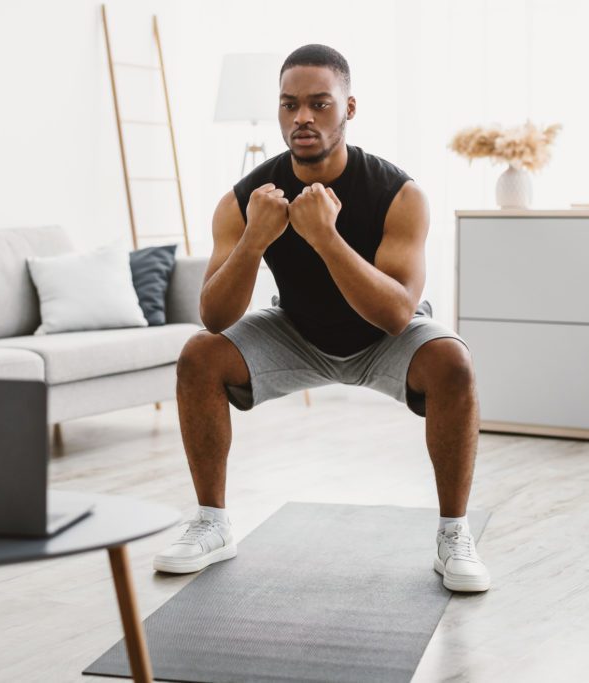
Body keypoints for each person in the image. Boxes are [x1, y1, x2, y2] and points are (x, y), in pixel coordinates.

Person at [153, 44, 490, 592]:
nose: (302, 117)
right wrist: (256, 240)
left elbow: (396, 314)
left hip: (383, 338)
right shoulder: (244, 200)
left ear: (348, 108)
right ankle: (212, 524)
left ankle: (454, 534)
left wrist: (326, 239)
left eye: (319, 104)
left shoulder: (399, 194)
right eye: (289, 105)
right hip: (296, 333)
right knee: (199, 354)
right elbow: (214, 316)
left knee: (452, 360)